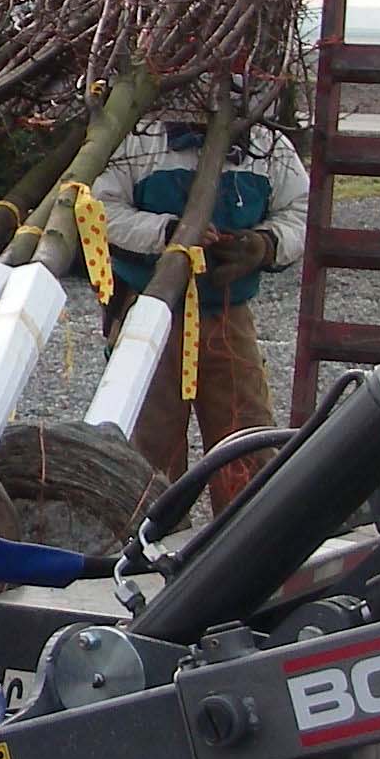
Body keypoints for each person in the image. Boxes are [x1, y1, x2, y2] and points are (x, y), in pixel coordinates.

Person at [97, 111, 309, 515]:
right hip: (149, 312)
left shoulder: (264, 145)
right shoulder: (140, 137)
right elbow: (102, 209)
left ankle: (243, 541)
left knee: (246, 436)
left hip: (227, 313)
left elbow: (300, 208)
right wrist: (168, 233)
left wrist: (264, 245)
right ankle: (148, 543)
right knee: (148, 446)